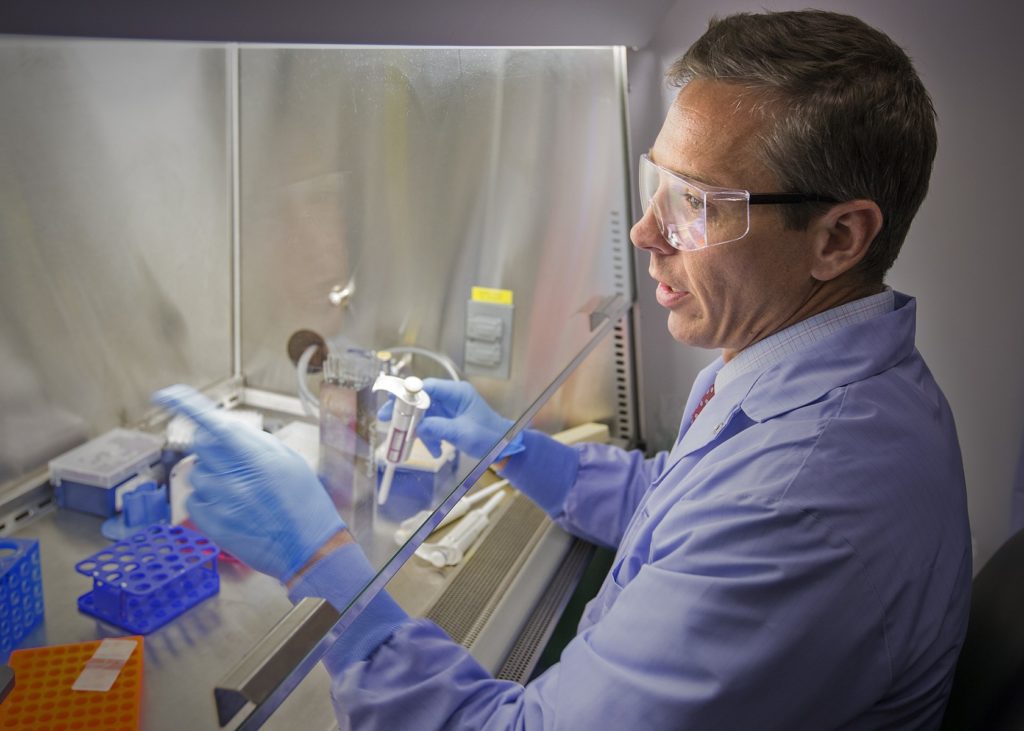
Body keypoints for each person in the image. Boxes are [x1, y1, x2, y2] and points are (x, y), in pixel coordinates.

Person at [154, 10, 971, 729]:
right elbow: (683, 504)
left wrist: (326, 571)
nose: (646, 232)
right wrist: (513, 447)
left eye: (697, 203)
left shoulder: (804, 500)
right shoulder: (819, 373)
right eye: (659, 184)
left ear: (838, 238)